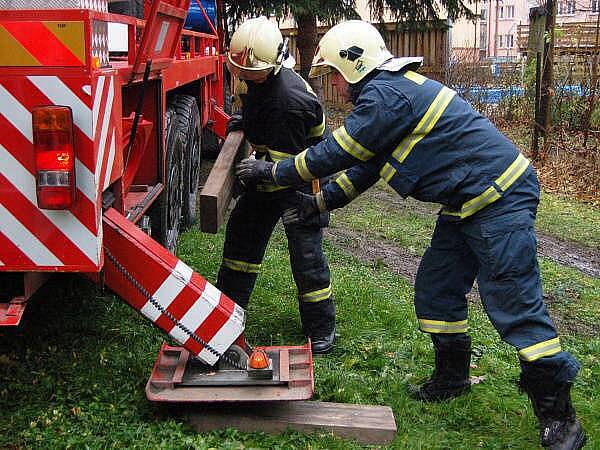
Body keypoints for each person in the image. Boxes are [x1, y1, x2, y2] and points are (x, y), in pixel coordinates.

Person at [235, 20, 586, 450]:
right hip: (468, 203)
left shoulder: (385, 95)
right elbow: (366, 168)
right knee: (437, 290)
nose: (337, 88)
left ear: (352, 65)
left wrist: (271, 171)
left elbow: (336, 152)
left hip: (499, 199)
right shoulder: (388, 95)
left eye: (335, 76)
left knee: (514, 302)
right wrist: (318, 203)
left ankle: (561, 419)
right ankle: (452, 378)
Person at [217, 17, 336, 354]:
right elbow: (254, 102)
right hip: (267, 170)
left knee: (307, 256)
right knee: (240, 246)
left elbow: (292, 165)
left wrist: (260, 169)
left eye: (246, 71)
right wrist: (246, 121)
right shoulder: (255, 77)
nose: (239, 76)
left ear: (271, 66)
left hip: (301, 180)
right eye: (236, 67)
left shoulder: (289, 101)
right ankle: (225, 317)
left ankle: (321, 331)